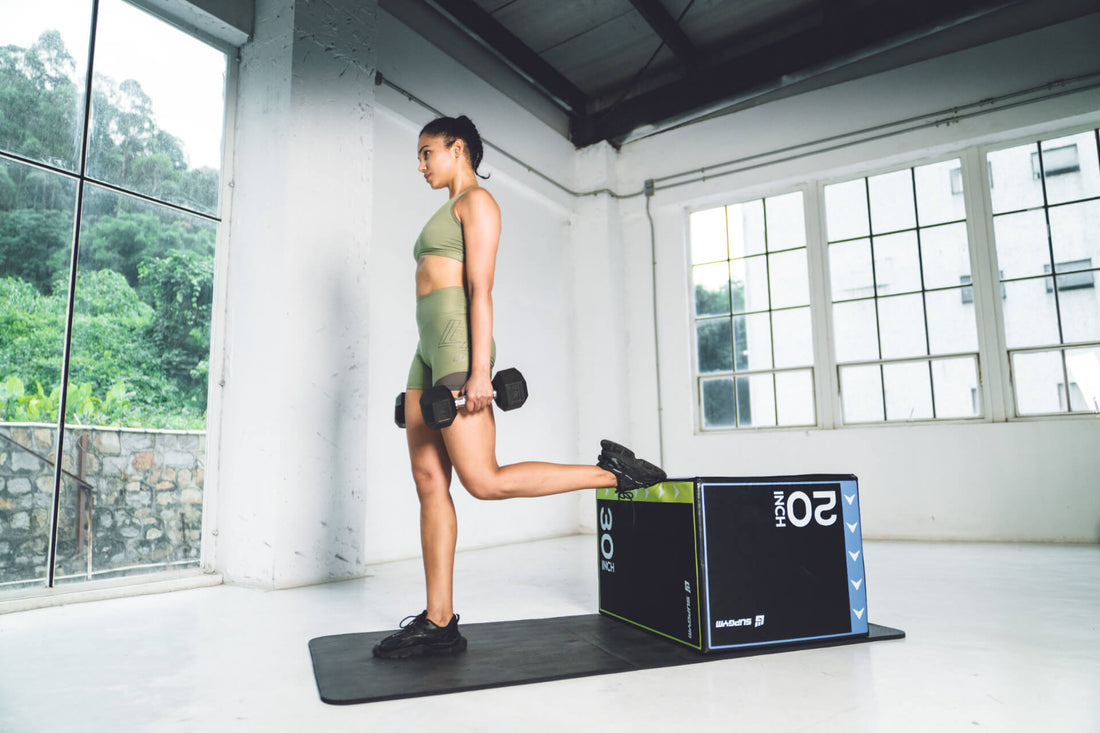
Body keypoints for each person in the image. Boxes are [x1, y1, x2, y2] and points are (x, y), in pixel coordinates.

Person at [372, 115, 666, 660]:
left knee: (483, 480)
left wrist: (480, 371)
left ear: (458, 149)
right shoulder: (445, 208)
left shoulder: (477, 203)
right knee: (428, 481)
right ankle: (439, 622)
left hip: (459, 348)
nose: (420, 165)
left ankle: (613, 473)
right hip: (426, 350)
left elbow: (480, 290)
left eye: (426, 152)